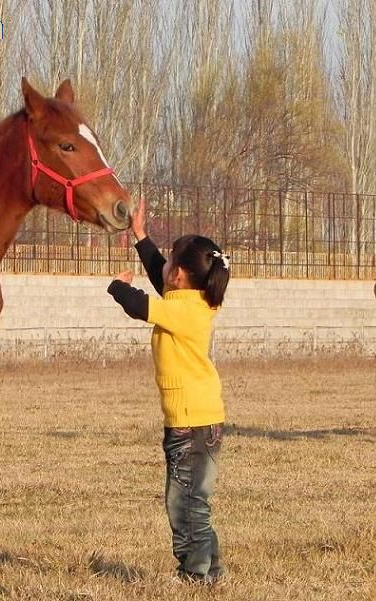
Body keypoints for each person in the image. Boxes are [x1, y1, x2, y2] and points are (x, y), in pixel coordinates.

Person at [107, 197, 230, 584]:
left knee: (184, 504)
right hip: (198, 420)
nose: (165, 267)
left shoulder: (183, 311)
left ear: (179, 276)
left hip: (191, 425)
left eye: (171, 261)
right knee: (195, 501)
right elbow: (160, 275)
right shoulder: (194, 301)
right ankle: (209, 569)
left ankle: (194, 574)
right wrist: (140, 235)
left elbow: (139, 305)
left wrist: (116, 287)